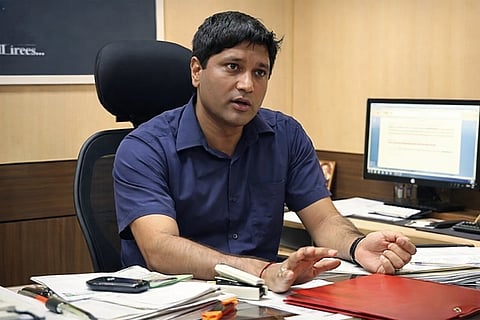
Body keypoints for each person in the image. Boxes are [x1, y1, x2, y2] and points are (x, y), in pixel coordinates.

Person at [113, 10, 416, 293]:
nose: (246, 84)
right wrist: (261, 271)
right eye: (233, 67)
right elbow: (159, 248)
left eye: (260, 72)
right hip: (174, 301)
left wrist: (356, 245)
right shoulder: (144, 147)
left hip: (263, 299)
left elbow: (323, 221)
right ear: (196, 71)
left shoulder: (285, 135)